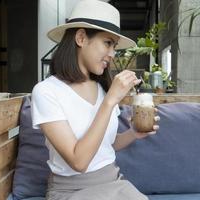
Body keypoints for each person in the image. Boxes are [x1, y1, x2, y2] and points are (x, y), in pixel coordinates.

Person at [31, 0, 159, 199]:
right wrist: (109, 102)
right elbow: (79, 161)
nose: (113, 53)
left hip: (114, 181)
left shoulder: (101, 88)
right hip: (71, 191)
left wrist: (133, 133)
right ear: (81, 38)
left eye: (114, 46)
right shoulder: (46, 92)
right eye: (107, 43)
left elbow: (104, 145)